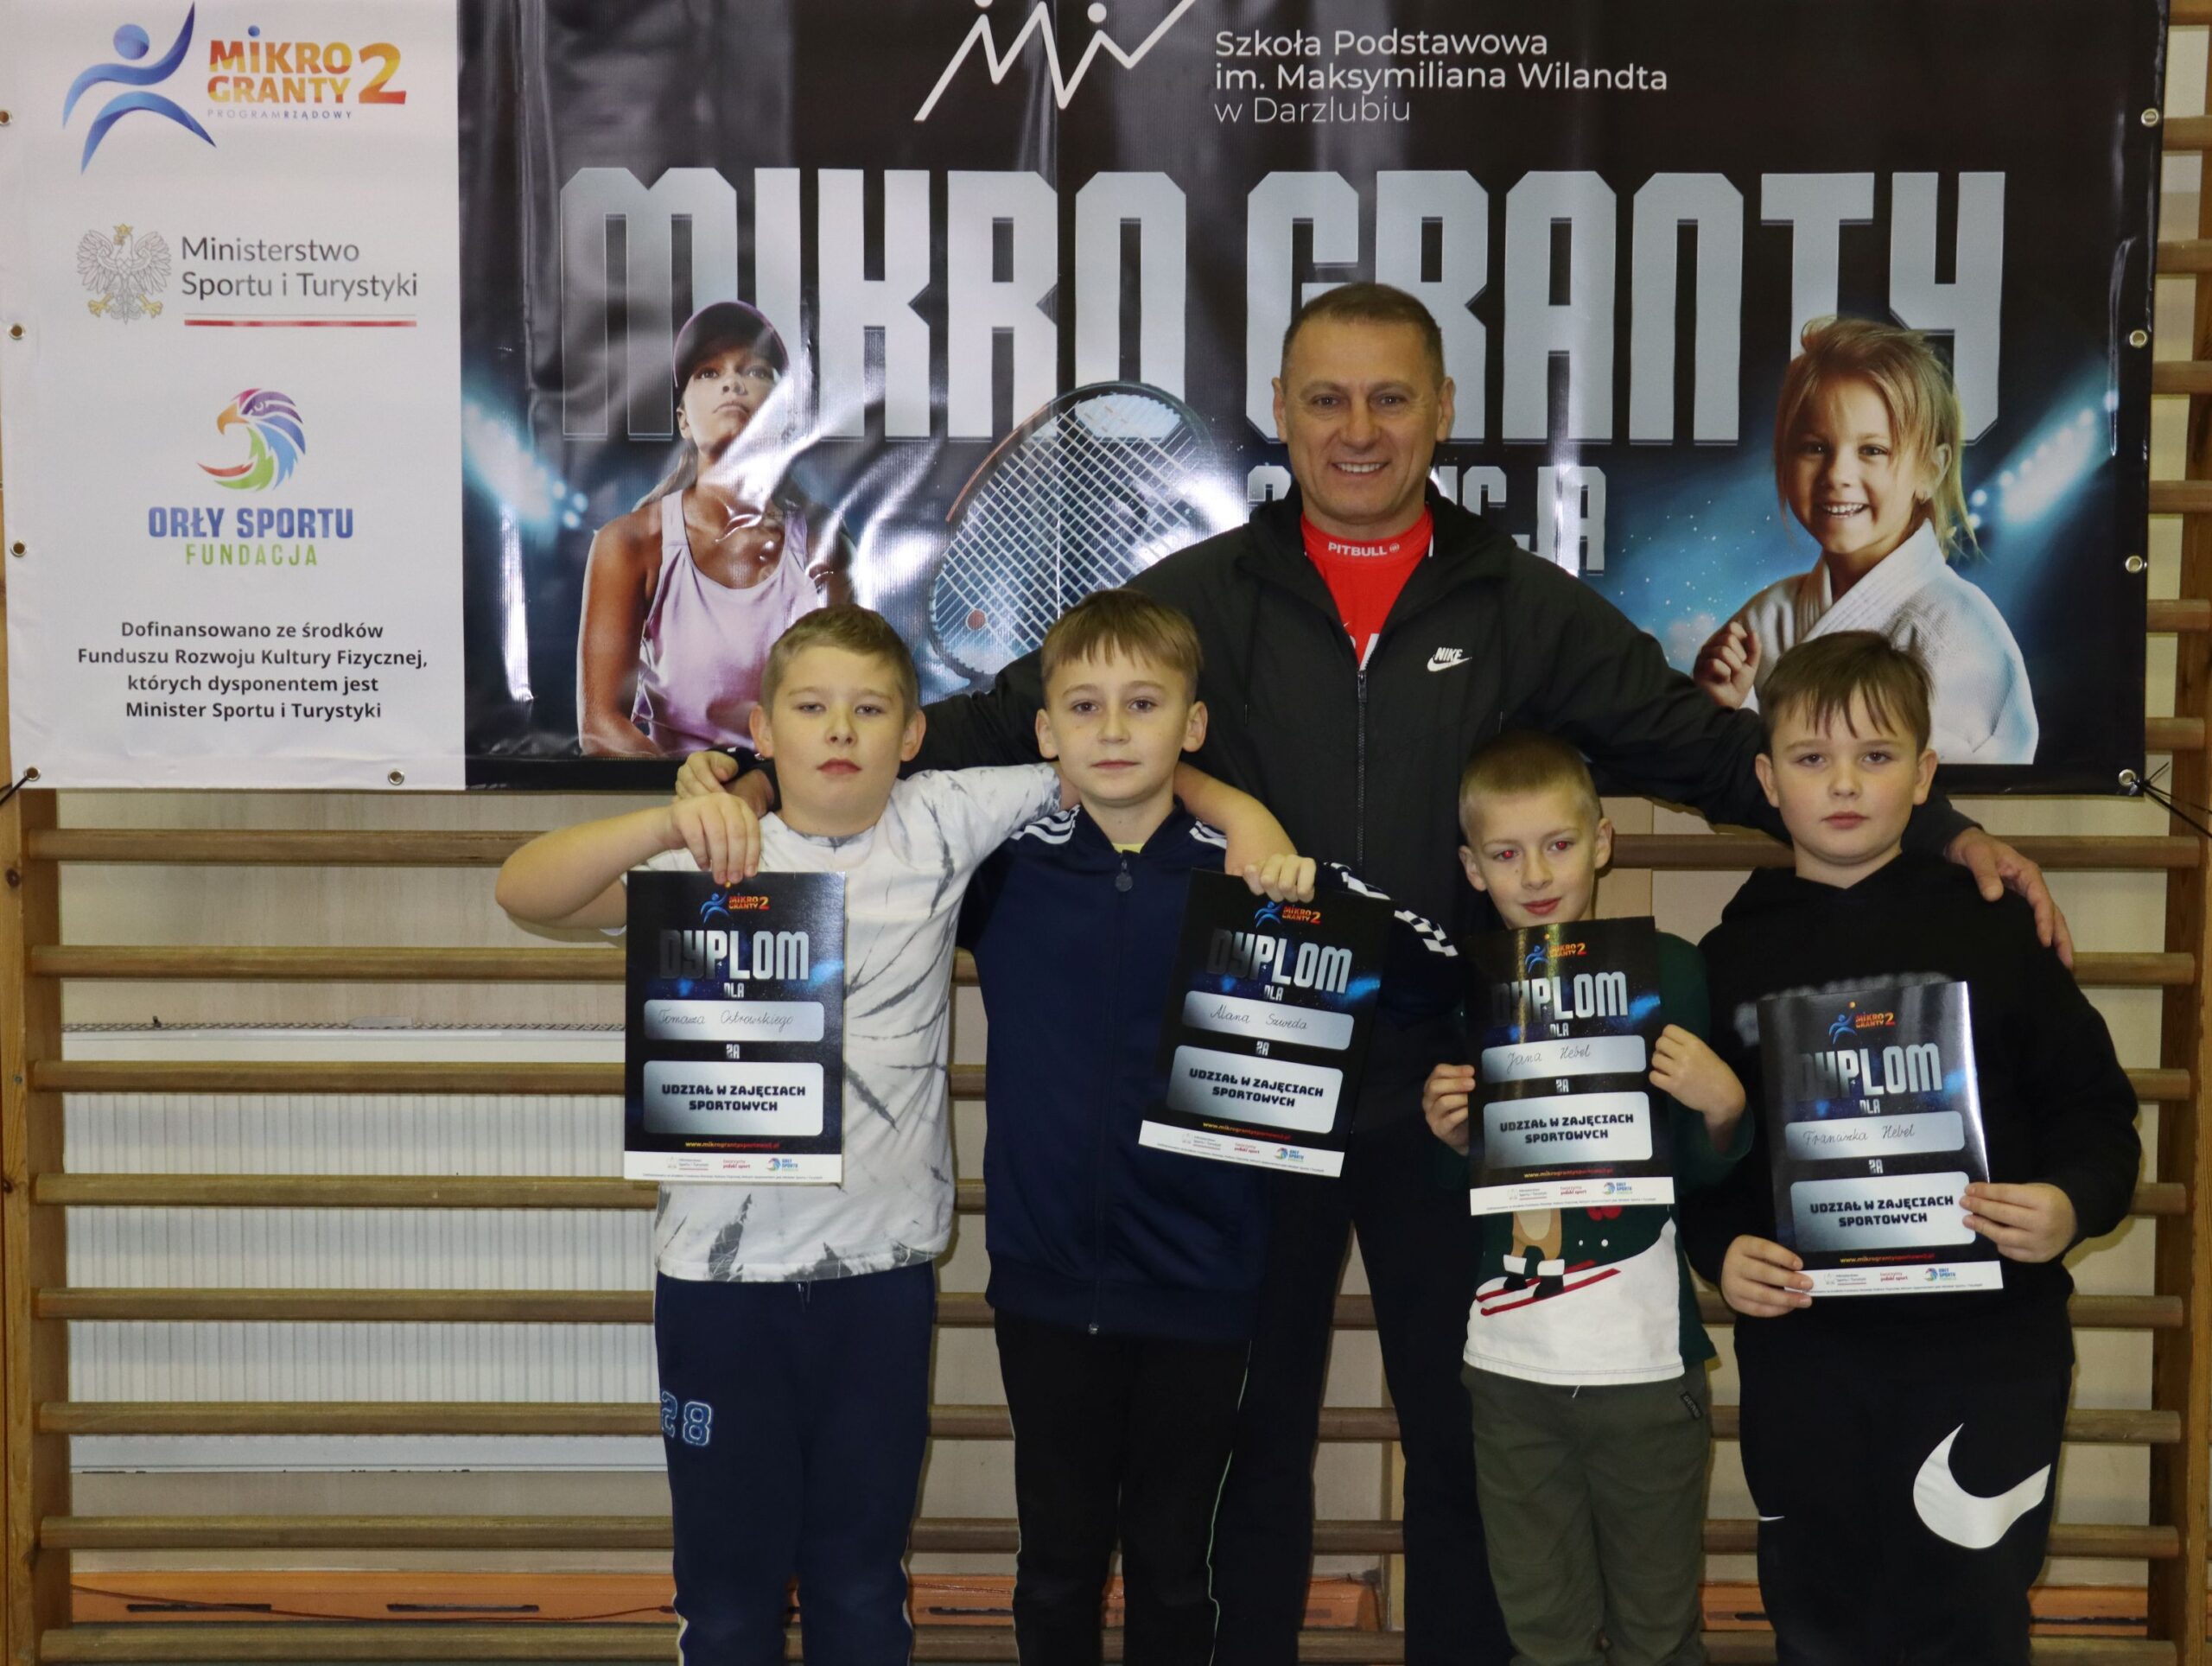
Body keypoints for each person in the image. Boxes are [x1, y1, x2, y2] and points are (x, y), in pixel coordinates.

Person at [677, 284, 2070, 1665]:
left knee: (1467, 1436)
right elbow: (981, 726)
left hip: (1453, 1084)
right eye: (1328, 399)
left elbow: (1707, 748)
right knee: (1254, 1442)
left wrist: (1940, 831)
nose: (1358, 428)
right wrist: (751, 776)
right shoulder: (1197, 598)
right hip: (1250, 1084)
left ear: (1441, 411)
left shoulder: (1515, 600)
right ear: (1281, 412)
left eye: (1390, 398)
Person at [498, 606, 1299, 1664]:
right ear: (762, 729)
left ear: (912, 735)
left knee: (861, 1585)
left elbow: (1111, 758)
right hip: (717, 1281)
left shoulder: (946, 815)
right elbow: (524, 889)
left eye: (870, 710)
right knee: (728, 1595)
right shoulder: (713, 849)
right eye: (811, 707)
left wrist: (1245, 814)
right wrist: (673, 819)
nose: (841, 729)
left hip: (881, 1274)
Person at [1680, 632, 2139, 1664]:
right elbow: (1708, 1153)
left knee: (1971, 1620)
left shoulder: (1994, 933)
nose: (1844, 783)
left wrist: (2069, 1202)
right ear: (1767, 779)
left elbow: (2095, 1113)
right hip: (1808, 1361)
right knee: (1820, 1623)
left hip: (1986, 1355)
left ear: (1926, 775)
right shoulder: (1729, 957)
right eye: (1811, 758)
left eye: (1876, 755)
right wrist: (1722, 1248)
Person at [962, 588, 1306, 1666]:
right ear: (1045, 730)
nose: (1113, 728)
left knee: (1171, 1569)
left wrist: (1249, 828)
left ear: (1191, 725)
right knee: (1055, 1566)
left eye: (1143, 703)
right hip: (1043, 1281)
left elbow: (1416, 975)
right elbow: (858, 823)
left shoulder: (1255, 880)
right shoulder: (998, 871)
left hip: (1202, 1283)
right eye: (1085, 705)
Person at [1421, 730, 1749, 1666]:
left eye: (1557, 844)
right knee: (1543, 1634)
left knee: (1658, 1633)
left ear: (1602, 842)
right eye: (1504, 852)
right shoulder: (1469, 994)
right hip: (1510, 1367)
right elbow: (1459, 1191)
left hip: (1644, 1365)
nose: (1534, 874)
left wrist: (1725, 1106)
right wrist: (1449, 1135)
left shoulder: (1672, 971)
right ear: (1471, 867)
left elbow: (1705, 1174)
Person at [1694, 315, 2037, 764]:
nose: (1837, 474)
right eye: (1815, 447)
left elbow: (1956, 796)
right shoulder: (1765, 620)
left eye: (1873, 450)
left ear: (1930, 471)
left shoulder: (1959, 637)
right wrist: (1722, 709)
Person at [576, 300, 853, 758]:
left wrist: (766, 789)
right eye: (708, 372)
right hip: (671, 793)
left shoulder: (823, 544)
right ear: (684, 420)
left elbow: (848, 703)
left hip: (791, 791)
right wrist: (696, 789)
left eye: (756, 371)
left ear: (785, 414)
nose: (732, 383)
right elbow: (600, 727)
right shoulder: (628, 543)